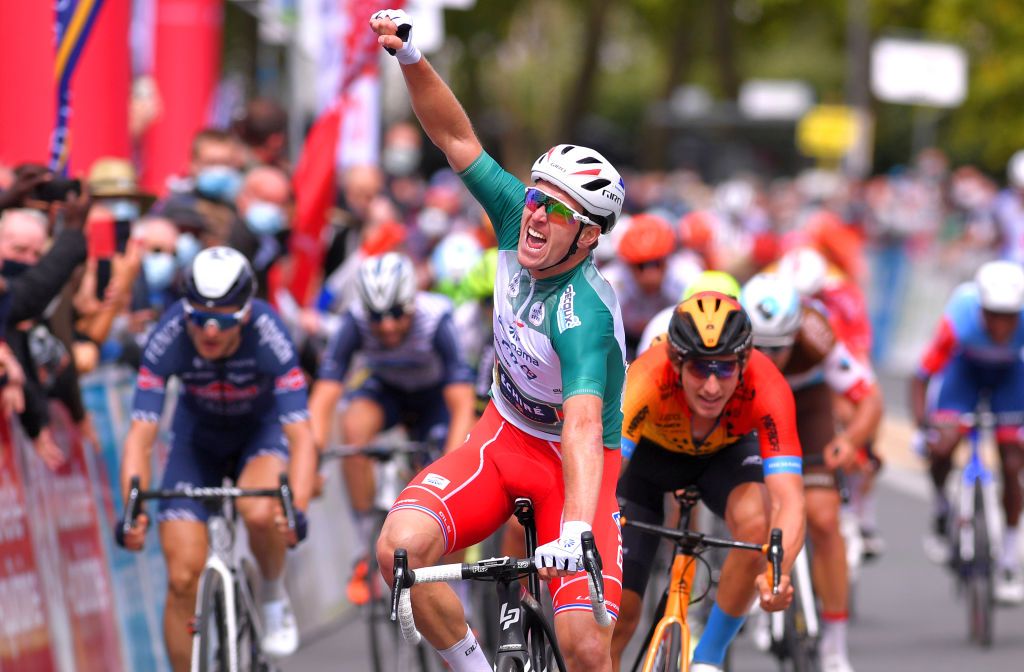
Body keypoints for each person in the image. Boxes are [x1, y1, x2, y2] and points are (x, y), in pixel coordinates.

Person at [370, 9, 628, 671]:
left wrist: (574, 529)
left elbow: (582, 423)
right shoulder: (517, 217)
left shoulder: (585, 313)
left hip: (576, 469)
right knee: (399, 550)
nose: (537, 215)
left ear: (590, 235)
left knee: (584, 648)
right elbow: (456, 138)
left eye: (559, 210)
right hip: (501, 438)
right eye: (538, 197)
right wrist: (410, 58)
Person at [117, 247, 317, 670]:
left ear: (244, 315)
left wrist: (296, 509)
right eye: (198, 317)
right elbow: (141, 436)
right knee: (182, 578)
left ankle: (271, 591)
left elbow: (301, 437)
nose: (209, 330)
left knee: (260, 512)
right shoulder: (168, 334)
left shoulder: (269, 331)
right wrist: (132, 509)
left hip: (257, 434)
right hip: (196, 441)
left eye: (223, 319)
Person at [611, 292, 804, 672]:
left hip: (725, 457)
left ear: (744, 362)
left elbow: (789, 500)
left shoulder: (768, 385)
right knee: (621, 618)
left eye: (726, 369)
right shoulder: (647, 377)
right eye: (700, 369)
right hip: (650, 463)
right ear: (677, 362)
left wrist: (776, 575)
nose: (712, 387)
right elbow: (605, 475)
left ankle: (709, 659)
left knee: (756, 530)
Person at [307, 251, 476, 603]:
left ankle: (458, 590)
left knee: (447, 483)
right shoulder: (354, 321)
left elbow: (461, 404)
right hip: (387, 392)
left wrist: (453, 465)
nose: (386, 326)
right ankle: (364, 541)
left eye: (396, 314)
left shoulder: (436, 319)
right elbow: (324, 397)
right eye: (377, 317)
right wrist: (310, 465)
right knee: (352, 428)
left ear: (411, 303)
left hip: (434, 398)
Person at [740, 273, 882, 672]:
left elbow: (869, 397)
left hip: (807, 406)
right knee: (752, 513)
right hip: (752, 402)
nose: (768, 357)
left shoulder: (817, 336)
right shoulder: (733, 331)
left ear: (794, 334)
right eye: (759, 348)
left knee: (822, 518)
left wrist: (851, 439)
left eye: (777, 349)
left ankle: (835, 644)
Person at [911, 260, 1024, 604]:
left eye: (1010, 316)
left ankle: (1007, 557)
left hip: (1010, 377)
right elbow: (921, 376)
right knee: (943, 446)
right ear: (980, 309)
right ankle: (943, 508)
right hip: (965, 375)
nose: (1002, 325)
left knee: (1012, 460)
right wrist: (925, 424)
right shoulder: (958, 319)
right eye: (993, 314)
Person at [600, 213, 698, 356]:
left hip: (674, 341)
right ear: (626, 264)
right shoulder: (610, 282)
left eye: (657, 263)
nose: (650, 275)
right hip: (622, 341)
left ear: (669, 258)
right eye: (641, 266)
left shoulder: (687, 276)